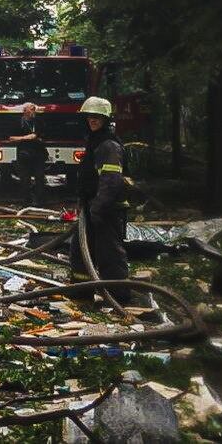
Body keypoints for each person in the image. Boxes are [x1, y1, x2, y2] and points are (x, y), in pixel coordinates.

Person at [70, 96, 131, 305]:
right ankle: (81, 292)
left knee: (109, 254)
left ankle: (118, 296)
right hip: (92, 207)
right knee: (80, 250)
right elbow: (88, 177)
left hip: (108, 209)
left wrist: (97, 208)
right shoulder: (94, 142)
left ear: (105, 119)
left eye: (97, 117)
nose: (92, 120)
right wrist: (83, 203)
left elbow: (111, 181)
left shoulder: (109, 146)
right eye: (89, 116)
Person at [9, 102, 48, 206]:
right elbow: (11, 138)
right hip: (24, 155)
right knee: (24, 179)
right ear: (25, 111)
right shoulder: (17, 123)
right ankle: (26, 202)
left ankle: (40, 202)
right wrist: (27, 137)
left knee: (40, 178)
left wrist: (33, 137)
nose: (33, 111)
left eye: (34, 109)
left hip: (38, 155)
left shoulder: (39, 122)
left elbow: (40, 135)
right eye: (31, 109)